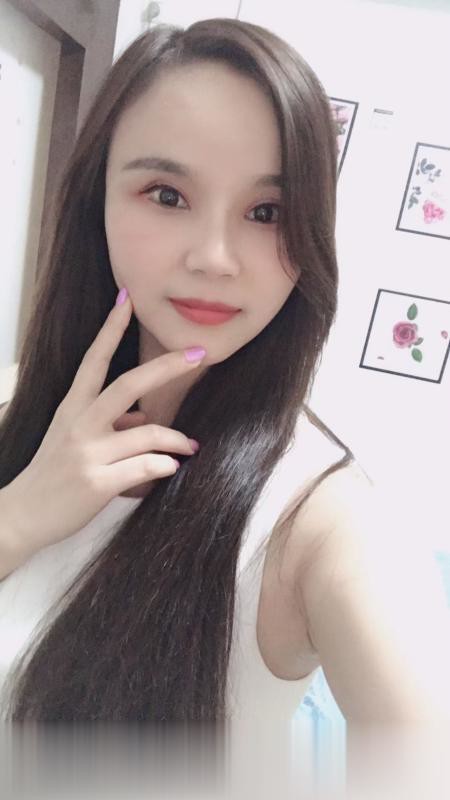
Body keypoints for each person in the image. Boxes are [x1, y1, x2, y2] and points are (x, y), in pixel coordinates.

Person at [0, 16, 449, 795]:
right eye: (166, 194)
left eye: (266, 212)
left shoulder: (318, 523)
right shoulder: (13, 399)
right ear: (97, 200)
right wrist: (21, 516)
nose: (214, 257)